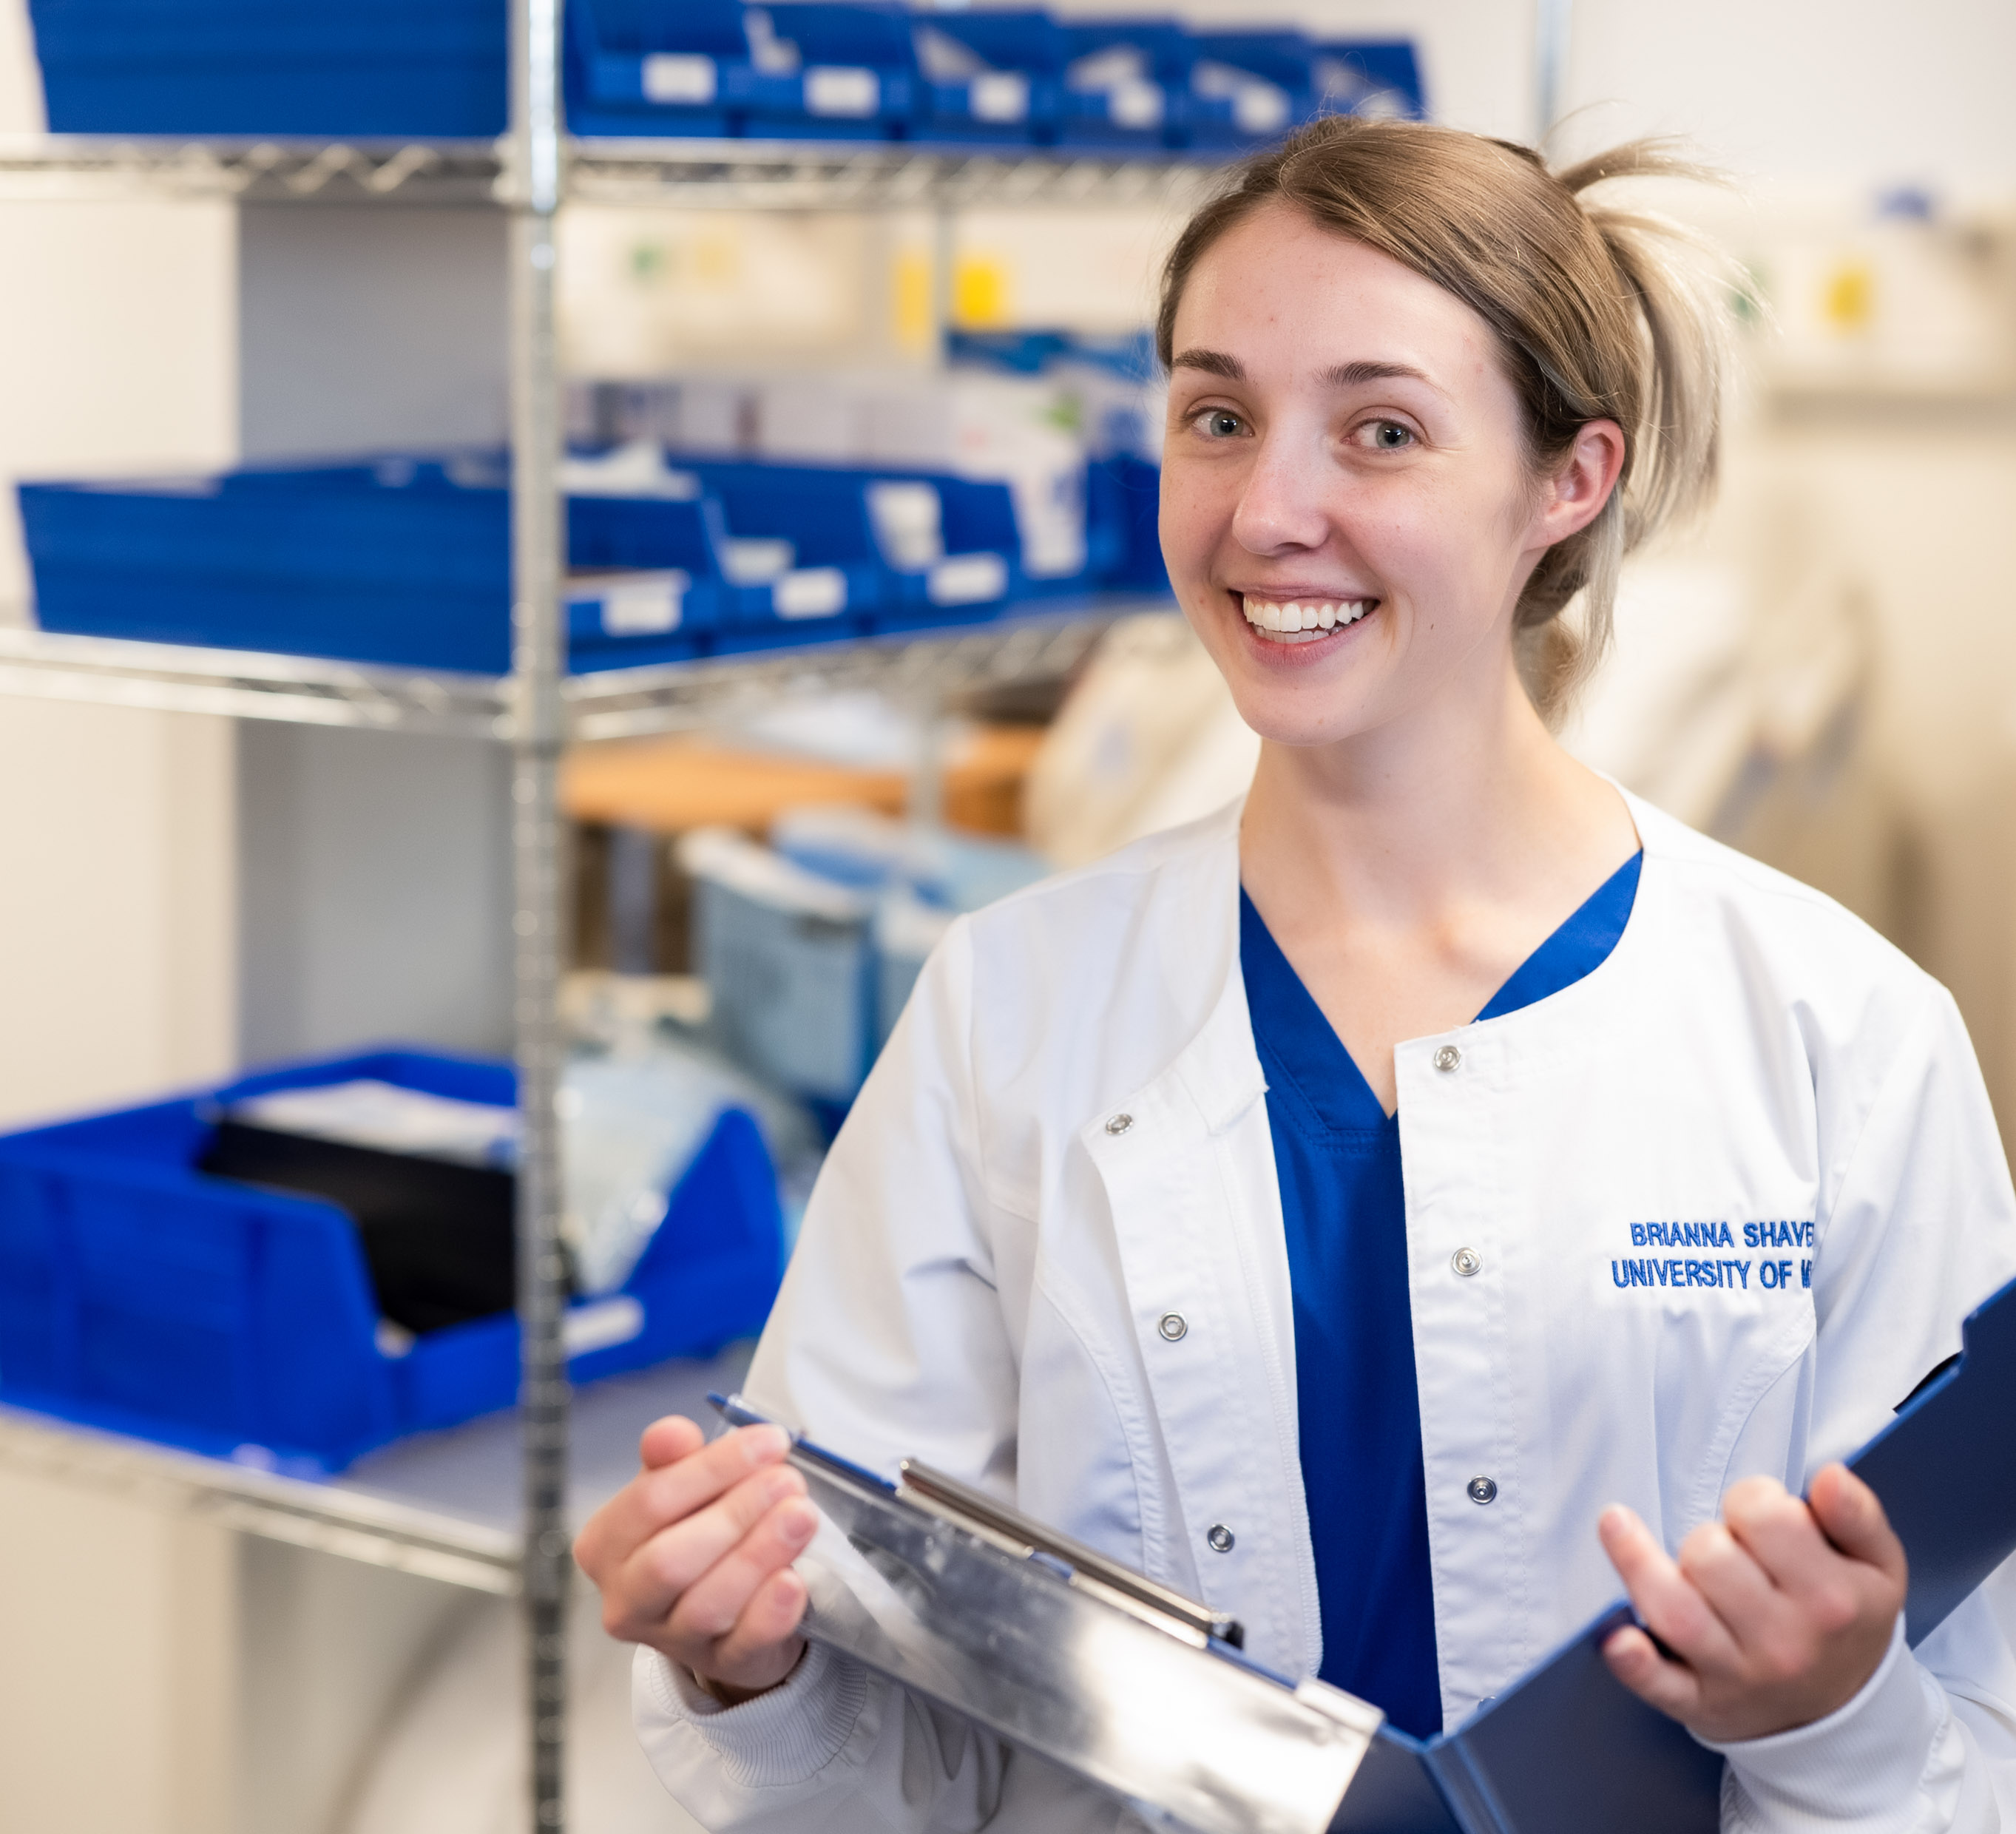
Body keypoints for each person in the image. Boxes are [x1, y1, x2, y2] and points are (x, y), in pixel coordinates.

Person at [575, 118, 2016, 1832]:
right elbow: (899, 1739)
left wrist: (1829, 1713)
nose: (1269, 512)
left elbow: (1974, 1739)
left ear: (1568, 481)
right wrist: (751, 1664)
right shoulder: (1007, 1011)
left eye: (1381, 430)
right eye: (1216, 417)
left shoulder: (1835, 1037)